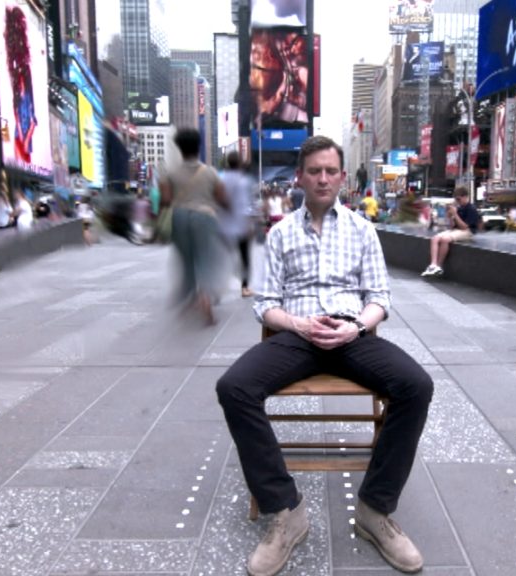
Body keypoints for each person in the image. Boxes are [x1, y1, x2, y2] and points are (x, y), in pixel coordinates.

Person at [216, 136, 432, 576]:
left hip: (351, 334)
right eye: (314, 170)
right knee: (234, 387)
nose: (322, 178)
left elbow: (379, 297)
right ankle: (286, 511)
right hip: (296, 335)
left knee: (416, 385)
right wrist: (297, 324)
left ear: (341, 177)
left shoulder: (362, 229)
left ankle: (375, 510)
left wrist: (355, 326)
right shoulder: (279, 234)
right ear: (300, 176)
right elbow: (265, 303)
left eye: (331, 171)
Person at [159, 128, 230, 325]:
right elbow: (223, 199)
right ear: (198, 147)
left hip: (179, 218)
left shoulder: (170, 174)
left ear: (179, 148)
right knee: (206, 260)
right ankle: (205, 298)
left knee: (187, 261)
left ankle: (189, 297)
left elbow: (164, 200)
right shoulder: (210, 172)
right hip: (205, 218)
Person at [219, 151, 257, 298]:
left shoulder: (221, 178)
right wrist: (251, 223)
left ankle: (217, 286)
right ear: (239, 163)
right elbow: (247, 204)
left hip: (223, 226)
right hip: (241, 226)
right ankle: (244, 287)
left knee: (222, 257)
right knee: (245, 257)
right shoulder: (245, 180)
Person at [421, 187, 479, 277]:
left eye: (459, 199)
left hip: (468, 232)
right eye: (456, 199)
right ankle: (433, 265)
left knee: (445, 239)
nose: (458, 201)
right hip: (456, 230)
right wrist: (450, 217)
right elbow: (452, 226)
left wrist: (455, 214)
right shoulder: (459, 208)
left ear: (465, 197)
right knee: (435, 238)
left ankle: (439, 265)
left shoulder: (471, 209)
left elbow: (464, 227)